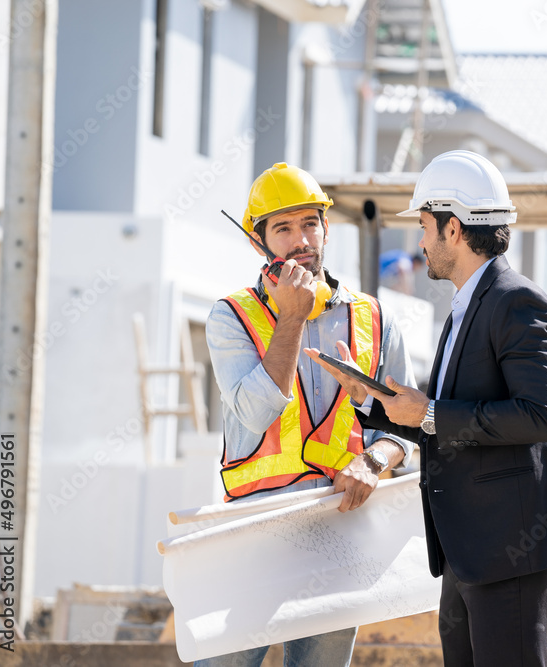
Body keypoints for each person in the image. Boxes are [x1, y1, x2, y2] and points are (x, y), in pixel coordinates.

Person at [316, 150, 547, 666]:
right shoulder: (468, 306)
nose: (419, 242)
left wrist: (431, 414)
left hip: (510, 552)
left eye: (423, 226)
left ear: (454, 229)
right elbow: (447, 423)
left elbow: (540, 415)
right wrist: (368, 401)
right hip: (470, 552)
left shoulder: (518, 302)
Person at [202, 162, 416, 667]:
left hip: (338, 533)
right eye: (283, 228)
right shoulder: (231, 316)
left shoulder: (375, 318)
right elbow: (255, 412)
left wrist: (374, 460)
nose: (301, 239)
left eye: (310, 223)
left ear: (325, 227)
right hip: (253, 532)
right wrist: (293, 316)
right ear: (259, 244)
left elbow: (406, 428)